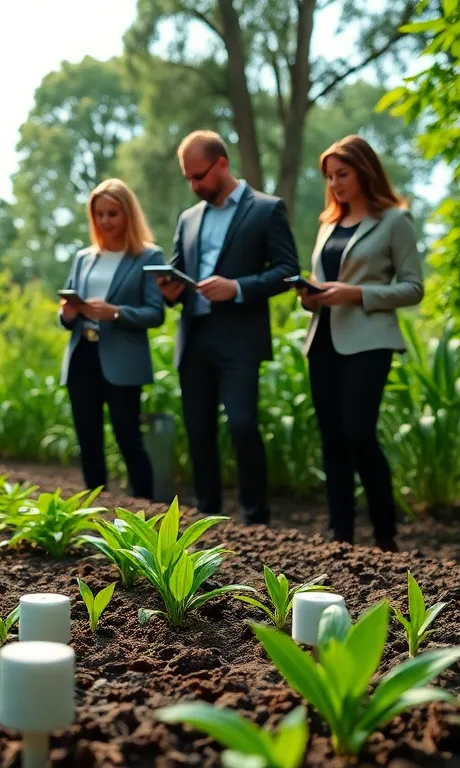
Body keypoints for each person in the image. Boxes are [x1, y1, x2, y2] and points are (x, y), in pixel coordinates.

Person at [154, 130, 299, 524]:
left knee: (242, 424)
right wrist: (169, 289)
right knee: (198, 432)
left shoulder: (267, 210)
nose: (193, 185)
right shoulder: (188, 218)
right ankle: (208, 517)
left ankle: (256, 519)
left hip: (240, 338)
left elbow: (288, 272)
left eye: (198, 176)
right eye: (188, 178)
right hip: (194, 336)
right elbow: (179, 276)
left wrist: (236, 288)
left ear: (222, 164)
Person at [292, 135, 424, 551]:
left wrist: (357, 293)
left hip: (368, 342)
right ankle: (341, 537)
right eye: (330, 177)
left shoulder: (394, 220)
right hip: (324, 340)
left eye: (342, 174)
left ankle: (385, 535)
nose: (335, 184)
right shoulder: (327, 223)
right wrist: (309, 297)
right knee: (331, 438)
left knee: (359, 434)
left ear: (365, 171)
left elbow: (413, 288)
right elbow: (323, 283)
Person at [58, 179, 166, 499]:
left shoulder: (148, 255)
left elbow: (155, 313)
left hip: (122, 359)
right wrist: (66, 315)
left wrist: (116, 313)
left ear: (128, 215)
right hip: (82, 357)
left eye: (112, 214)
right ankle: (96, 512)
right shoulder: (83, 257)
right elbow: (65, 308)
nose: (105, 221)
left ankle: (146, 510)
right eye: (99, 214)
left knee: (127, 439)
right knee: (88, 440)